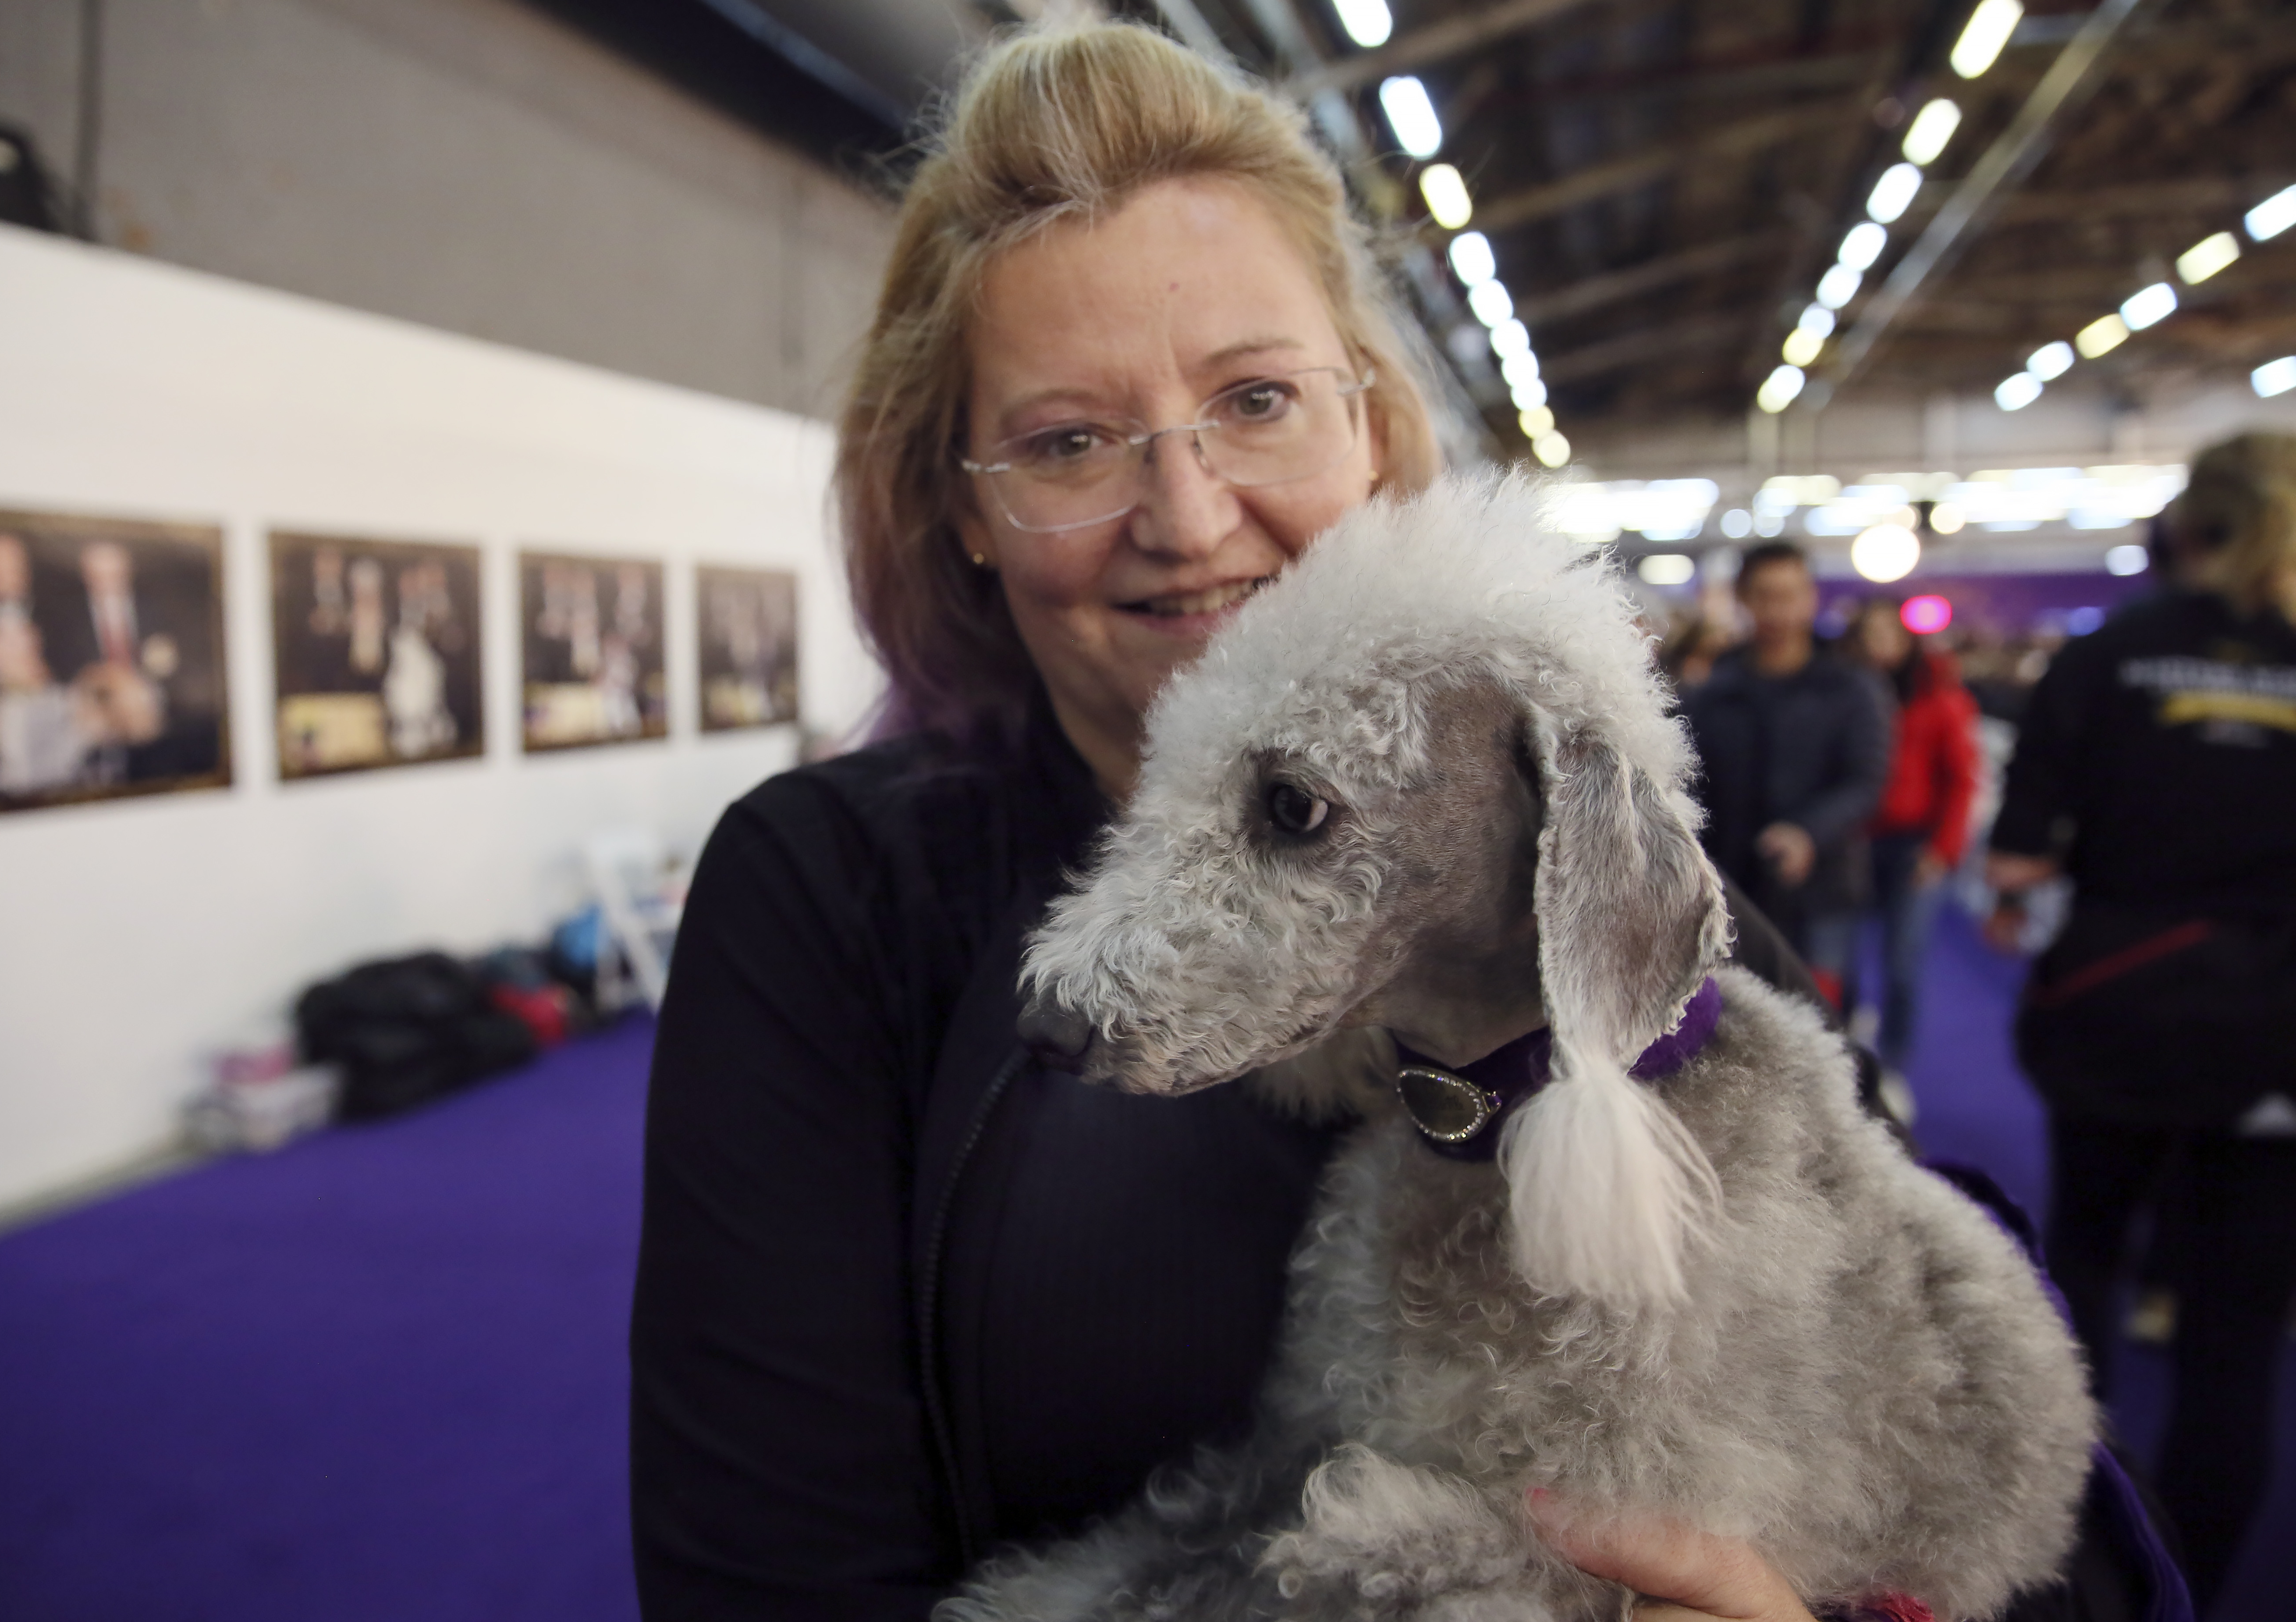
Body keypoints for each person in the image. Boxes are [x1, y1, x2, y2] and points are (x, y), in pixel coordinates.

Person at [628, 24, 2155, 1622]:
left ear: (1369, 425)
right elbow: (768, 1575)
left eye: (1257, 398)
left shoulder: (1593, 881)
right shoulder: (836, 892)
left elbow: (1982, 1479)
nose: (1189, 514)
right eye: (1066, 439)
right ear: (958, 507)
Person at [1986, 431, 2296, 1615]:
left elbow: (2015, 854)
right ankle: (2201, 1593)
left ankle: (2085, 1571)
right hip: (2273, 1041)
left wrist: (2025, 898)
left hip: (2114, 1017)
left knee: (2078, 1277)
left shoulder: (2106, 657)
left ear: (2184, 527)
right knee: (2234, 1338)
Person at [1680, 543, 1892, 989]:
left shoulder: (1850, 689)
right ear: (1743, 598)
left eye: (1789, 595)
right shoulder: (1714, 692)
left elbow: (1864, 781)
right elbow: (1692, 783)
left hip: (1823, 888)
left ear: (1810, 598)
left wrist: (1808, 832)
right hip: (1730, 886)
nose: (1777, 610)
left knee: (1823, 1018)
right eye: (1764, 595)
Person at [1824, 598, 1979, 1077]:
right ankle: (1841, 1058)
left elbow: (1962, 781)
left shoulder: (1941, 699)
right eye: (1868, 633)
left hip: (1916, 846)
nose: (1877, 644)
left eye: (1887, 633)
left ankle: (1892, 1065)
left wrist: (1943, 851)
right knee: (1838, 962)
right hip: (1849, 842)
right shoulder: (1840, 696)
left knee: (1901, 965)